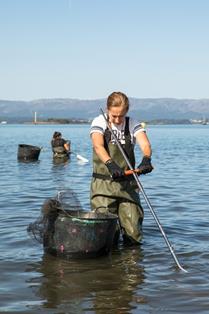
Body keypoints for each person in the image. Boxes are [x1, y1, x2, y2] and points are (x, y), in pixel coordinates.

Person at [90, 91, 153, 245]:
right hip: (104, 186)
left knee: (133, 233)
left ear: (127, 111)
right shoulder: (99, 122)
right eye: (114, 115)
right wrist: (110, 164)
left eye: (121, 115)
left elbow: (145, 144)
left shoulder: (132, 123)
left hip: (128, 186)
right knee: (105, 233)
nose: (118, 119)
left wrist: (146, 158)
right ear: (107, 110)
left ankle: (133, 265)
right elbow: (98, 146)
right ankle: (108, 266)